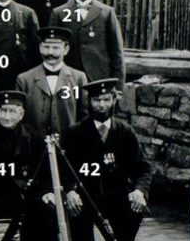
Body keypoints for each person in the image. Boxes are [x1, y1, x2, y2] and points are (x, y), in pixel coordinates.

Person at [62, 78, 152, 241]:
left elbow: (143, 167)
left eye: (106, 100)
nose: (101, 105)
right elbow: (64, 169)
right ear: (89, 101)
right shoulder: (74, 133)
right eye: (96, 100)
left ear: (113, 100)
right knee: (76, 220)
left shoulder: (125, 132)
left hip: (116, 196)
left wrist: (139, 191)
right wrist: (69, 191)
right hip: (85, 198)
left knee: (133, 211)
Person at [0, 90, 53, 241]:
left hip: (26, 196)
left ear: (21, 114)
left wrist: (47, 191)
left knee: (47, 208)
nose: (7, 116)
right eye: (3, 111)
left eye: (12, 111)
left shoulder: (34, 138)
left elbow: (46, 172)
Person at [49, 0, 126, 83]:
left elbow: (117, 53)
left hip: (99, 79)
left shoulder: (107, 13)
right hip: (69, 79)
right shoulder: (59, 13)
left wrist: (118, 87)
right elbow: (52, 50)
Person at [15, 26, 89, 139]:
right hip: (33, 145)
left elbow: (84, 115)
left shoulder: (78, 78)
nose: (50, 52)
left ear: (66, 49)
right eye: (46, 47)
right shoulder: (24, 79)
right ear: (40, 48)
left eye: (56, 48)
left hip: (67, 144)